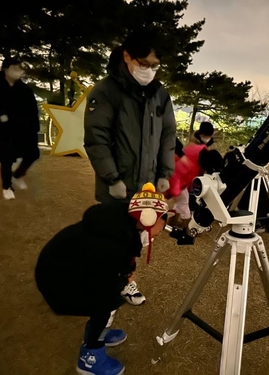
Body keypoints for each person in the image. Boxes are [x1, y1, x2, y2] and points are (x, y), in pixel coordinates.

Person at [35, 183, 170, 375]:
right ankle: (89, 357)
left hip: (61, 272)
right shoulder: (114, 243)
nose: (163, 228)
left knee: (111, 292)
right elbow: (103, 281)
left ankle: (97, 332)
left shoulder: (118, 222)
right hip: (58, 283)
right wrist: (121, 281)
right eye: (163, 222)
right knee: (107, 299)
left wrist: (123, 275)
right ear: (148, 218)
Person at [84, 27, 176, 305]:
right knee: (113, 239)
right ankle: (103, 284)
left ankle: (126, 282)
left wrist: (165, 172)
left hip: (146, 186)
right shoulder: (106, 91)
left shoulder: (160, 95)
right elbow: (96, 138)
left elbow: (168, 134)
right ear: (127, 56)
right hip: (117, 186)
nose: (149, 70)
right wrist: (111, 177)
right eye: (143, 64)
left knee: (136, 239)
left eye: (154, 66)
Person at [0, 57, 40, 200]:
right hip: (4, 130)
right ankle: (6, 186)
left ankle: (18, 175)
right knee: (6, 159)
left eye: (20, 69)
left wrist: (34, 128)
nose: (18, 72)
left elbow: (33, 110)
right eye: (14, 69)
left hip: (24, 129)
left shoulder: (25, 90)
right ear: (5, 69)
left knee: (32, 154)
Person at [165, 144, 223, 227]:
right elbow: (175, 175)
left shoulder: (202, 152)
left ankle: (172, 222)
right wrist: (175, 192)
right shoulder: (188, 162)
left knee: (181, 202)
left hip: (180, 181)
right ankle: (188, 228)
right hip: (172, 179)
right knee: (184, 203)